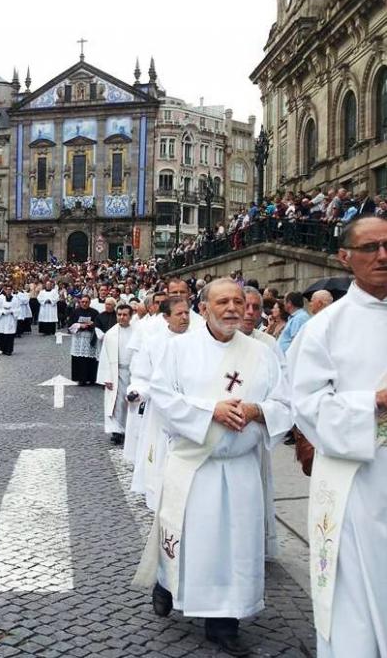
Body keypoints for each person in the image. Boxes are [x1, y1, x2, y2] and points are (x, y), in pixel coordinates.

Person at [133, 279, 290, 657]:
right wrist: (211, 411)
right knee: (192, 540)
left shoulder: (261, 353)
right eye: (223, 301)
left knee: (236, 544)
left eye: (239, 301)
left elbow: (285, 403)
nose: (234, 308)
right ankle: (167, 584)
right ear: (204, 307)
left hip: (240, 467)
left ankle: (226, 621)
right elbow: (164, 399)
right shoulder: (179, 349)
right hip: (196, 465)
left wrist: (257, 410)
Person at [288, 216, 387, 658]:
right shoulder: (324, 328)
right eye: (369, 248)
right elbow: (307, 405)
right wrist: (374, 403)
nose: (382, 255)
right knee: (356, 593)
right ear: (345, 258)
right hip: (356, 484)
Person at [128, 297, 190, 509]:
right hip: (161, 412)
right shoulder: (154, 342)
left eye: (187, 313)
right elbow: (142, 376)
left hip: (190, 411)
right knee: (160, 460)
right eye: (179, 314)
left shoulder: (199, 340)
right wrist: (136, 392)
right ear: (166, 317)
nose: (184, 318)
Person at [96, 304, 134, 446]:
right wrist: (106, 377)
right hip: (115, 372)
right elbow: (104, 356)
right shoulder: (111, 334)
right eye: (119, 315)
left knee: (130, 402)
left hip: (133, 372)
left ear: (130, 316)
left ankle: (129, 430)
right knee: (116, 403)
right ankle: (117, 431)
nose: (121, 317)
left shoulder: (137, 332)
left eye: (125, 315)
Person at [67, 296, 100, 385]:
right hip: (78, 338)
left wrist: (92, 324)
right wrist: (79, 326)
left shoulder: (94, 312)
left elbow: (98, 324)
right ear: (80, 302)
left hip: (90, 338)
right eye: (83, 302)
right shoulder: (75, 312)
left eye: (86, 302)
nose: (84, 304)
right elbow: (70, 325)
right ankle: (81, 379)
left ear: (89, 302)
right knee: (79, 358)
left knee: (91, 358)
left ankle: (92, 378)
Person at [0, 287, 17, 356]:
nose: (8, 291)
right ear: (5, 291)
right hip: (3, 319)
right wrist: (2, 312)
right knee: (2, 333)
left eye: (10, 290)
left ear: (11, 291)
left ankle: (9, 350)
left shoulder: (15, 299)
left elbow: (18, 309)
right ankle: (2, 349)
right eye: (7, 290)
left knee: (9, 334)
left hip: (10, 319)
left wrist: (12, 311)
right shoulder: (0, 299)